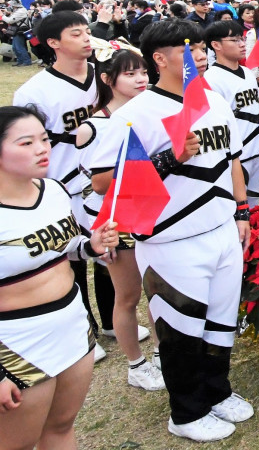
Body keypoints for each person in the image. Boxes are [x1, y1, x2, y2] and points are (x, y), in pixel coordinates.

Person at [90, 19, 254, 441]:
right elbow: (104, 180)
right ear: (159, 58)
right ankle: (185, 411)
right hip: (171, 239)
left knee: (220, 321)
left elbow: (233, 160)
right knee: (181, 329)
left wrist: (242, 214)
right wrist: (170, 159)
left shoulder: (213, 100)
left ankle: (217, 391)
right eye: (188, 49)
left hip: (221, 230)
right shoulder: (136, 113)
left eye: (201, 48)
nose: (198, 56)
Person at [0, 106, 119, 450]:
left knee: (62, 427)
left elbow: (62, 248)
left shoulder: (52, 190)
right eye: (26, 142)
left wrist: (91, 246)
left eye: (43, 138)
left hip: (72, 327)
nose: (42, 148)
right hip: (17, 344)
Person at [13, 11, 110, 358]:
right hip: (61, 187)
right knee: (71, 258)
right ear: (53, 43)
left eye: (87, 32)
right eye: (76, 34)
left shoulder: (105, 76)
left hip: (103, 179)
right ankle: (87, 330)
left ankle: (112, 322)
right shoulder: (34, 91)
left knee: (108, 252)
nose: (86, 38)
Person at [75, 47, 162, 390]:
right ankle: (136, 364)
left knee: (157, 290)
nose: (141, 79)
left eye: (143, 71)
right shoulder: (93, 127)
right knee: (127, 296)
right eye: (130, 73)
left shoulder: (152, 112)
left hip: (152, 214)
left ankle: (160, 353)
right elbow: (96, 184)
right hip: (115, 220)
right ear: (108, 79)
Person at [204, 20, 259, 206]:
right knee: (237, 204)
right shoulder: (211, 79)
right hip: (236, 154)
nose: (242, 44)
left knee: (254, 201)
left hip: (256, 147)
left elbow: (257, 105)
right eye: (234, 40)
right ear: (216, 45)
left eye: (242, 39)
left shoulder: (246, 72)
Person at [3, 0, 32, 66]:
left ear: (15, 6)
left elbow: (10, 21)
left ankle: (26, 61)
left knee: (19, 47)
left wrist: (2, 15)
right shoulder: (20, 10)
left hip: (20, 30)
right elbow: (13, 17)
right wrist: (8, 13)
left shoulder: (20, 11)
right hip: (18, 30)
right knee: (15, 47)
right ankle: (20, 60)